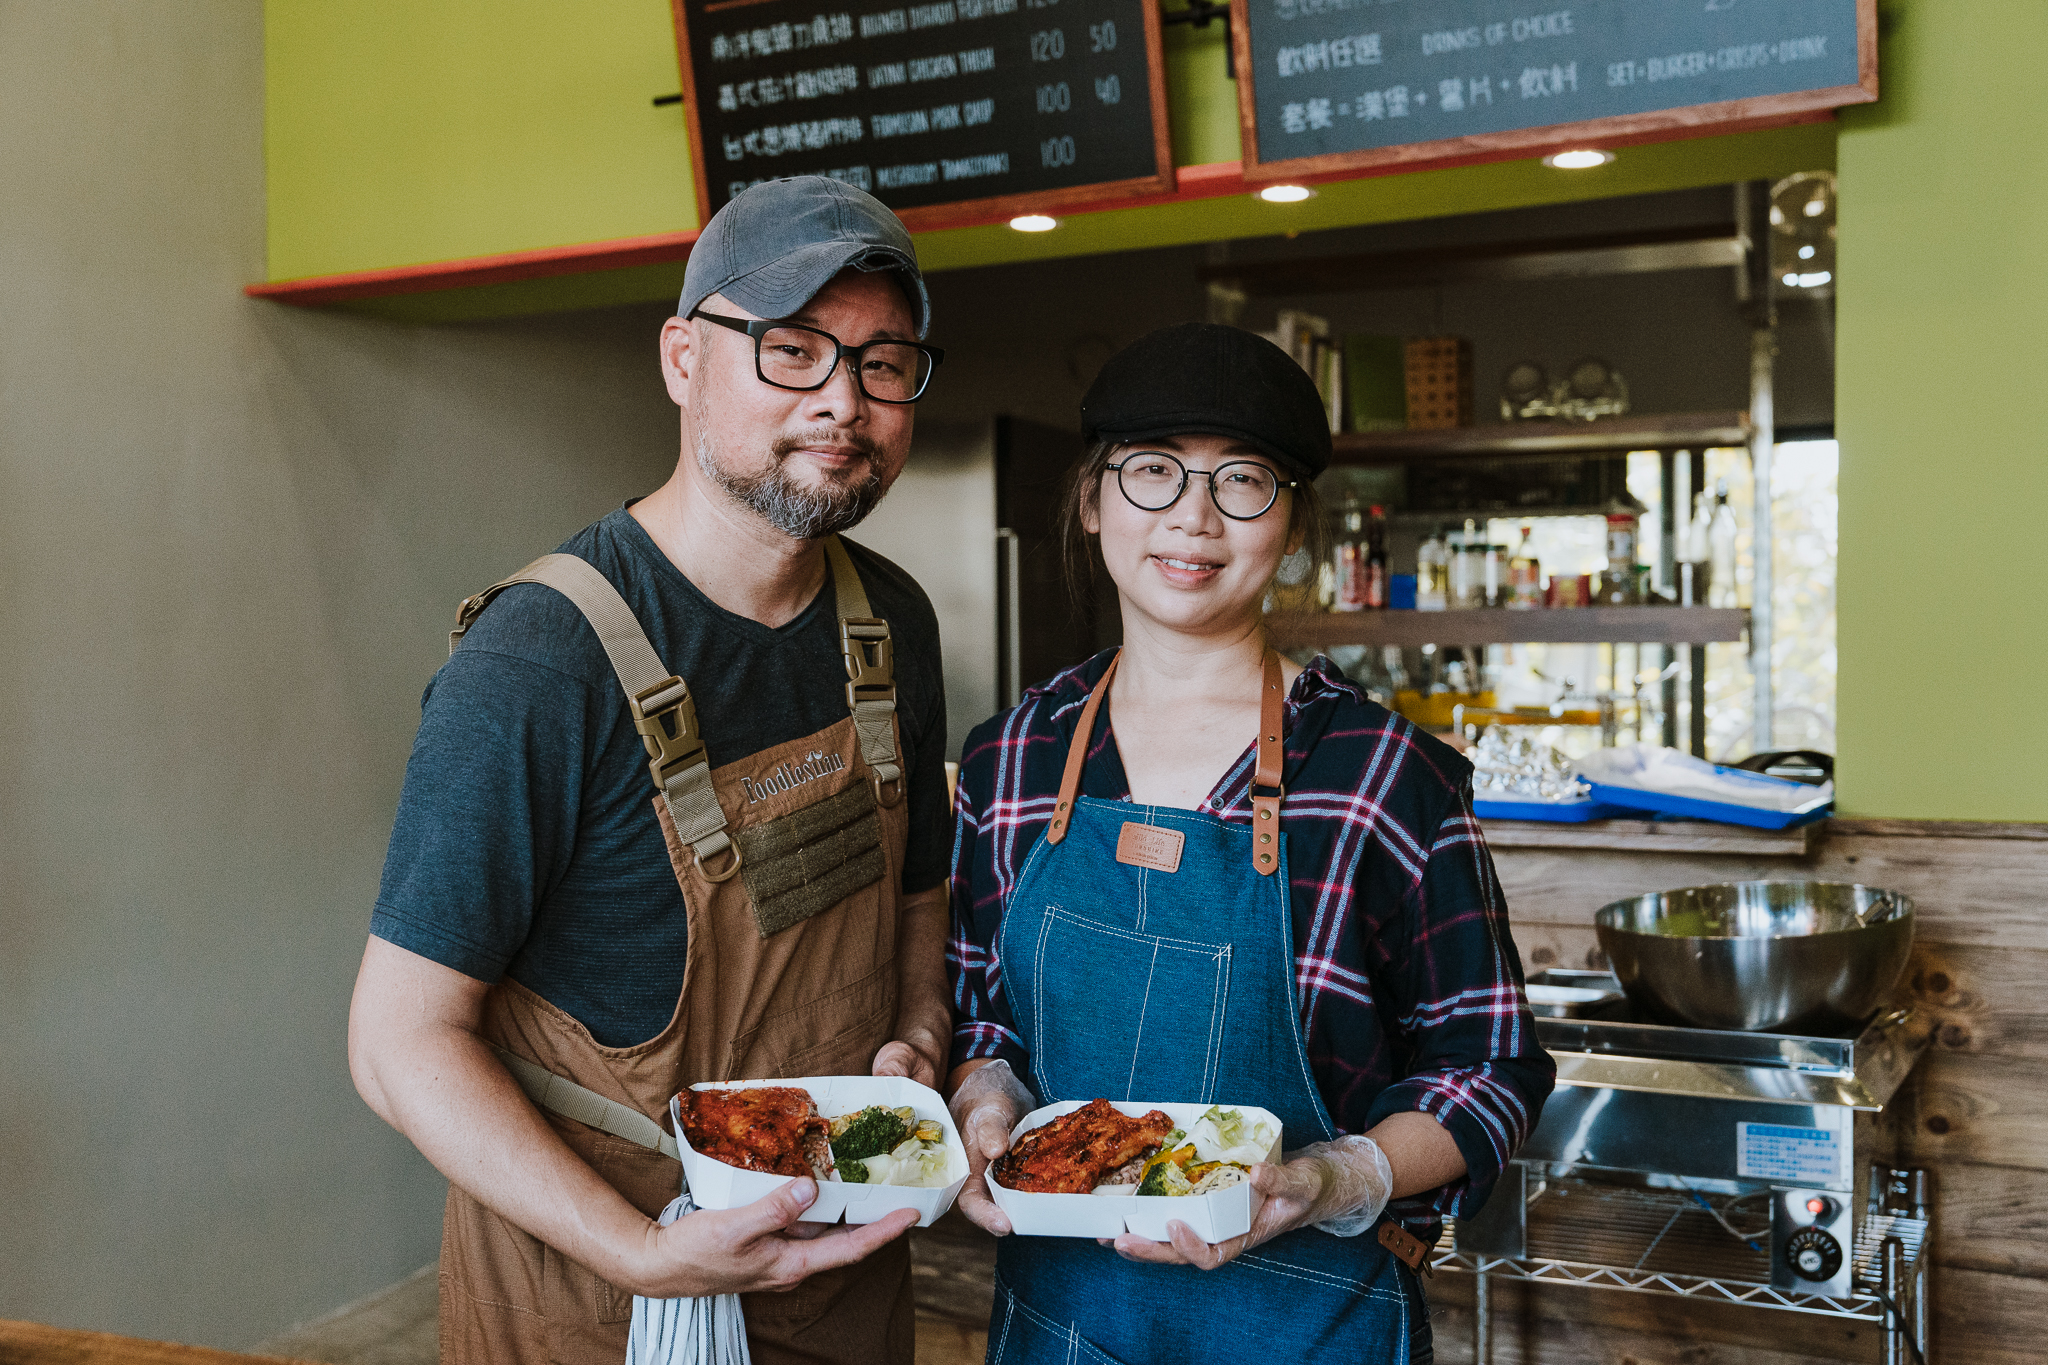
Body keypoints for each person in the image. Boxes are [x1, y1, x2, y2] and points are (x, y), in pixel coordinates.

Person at [347, 176, 955, 1365]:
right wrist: (637, 1250)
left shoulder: (892, 620)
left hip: (839, 1279)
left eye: (884, 364)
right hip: (601, 1295)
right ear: (683, 359)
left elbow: (917, 895)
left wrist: (920, 1032)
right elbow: (398, 1041)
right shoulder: (540, 658)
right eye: (792, 350)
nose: (843, 401)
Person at [943, 323, 1555, 1363]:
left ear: (1293, 526)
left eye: (1242, 481)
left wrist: (1335, 1177)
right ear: (1091, 501)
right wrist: (986, 1096)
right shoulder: (1012, 759)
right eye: (1151, 473)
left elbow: (1487, 1066)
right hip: (1060, 1325)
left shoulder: (1381, 777)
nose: (1191, 516)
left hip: (1310, 1324)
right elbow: (982, 1018)